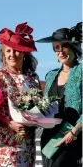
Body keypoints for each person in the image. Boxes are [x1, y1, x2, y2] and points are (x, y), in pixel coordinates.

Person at [0, 22, 40, 167]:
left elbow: (39, 106)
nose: (12, 55)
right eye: (8, 51)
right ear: (3, 53)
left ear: (23, 53)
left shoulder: (32, 78)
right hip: (4, 142)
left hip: (27, 143)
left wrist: (34, 123)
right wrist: (9, 123)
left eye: (16, 50)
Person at [36, 22, 82, 167]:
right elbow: (44, 105)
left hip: (73, 136)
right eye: (56, 47)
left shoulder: (81, 71)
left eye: (65, 46)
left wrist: (74, 132)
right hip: (49, 138)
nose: (60, 51)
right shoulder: (50, 75)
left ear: (74, 47)